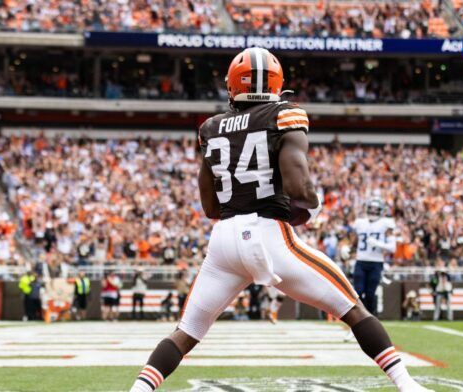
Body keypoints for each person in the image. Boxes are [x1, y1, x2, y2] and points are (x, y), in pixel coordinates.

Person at [129, 48, 430, 392]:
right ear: (276, 84)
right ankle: (407, 385)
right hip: (269, 235)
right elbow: (299, 187)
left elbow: (211, 207)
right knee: (352, 308)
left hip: (223, 239)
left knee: (187, 332)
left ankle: (138, 390)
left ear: (232, 86)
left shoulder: (210, 128)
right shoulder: (285, 115)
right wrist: (313, 208)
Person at [351, 197, 397, 316]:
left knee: (370, 293)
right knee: (358, 292)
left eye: (376, 210)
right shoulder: (360, 223)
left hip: (376, 262)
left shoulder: (386, 224)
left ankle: (372, 317)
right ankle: (359, 318)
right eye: (371, 209)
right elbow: (354, 241)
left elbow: (393, 248)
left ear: (381, 211)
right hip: (360, 261)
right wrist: (348, 249)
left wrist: (378, 244)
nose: (373, 212)